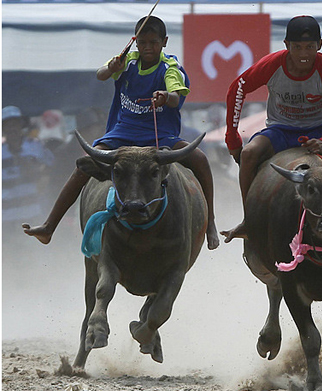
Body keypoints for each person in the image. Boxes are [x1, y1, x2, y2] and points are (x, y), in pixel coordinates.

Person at [23, 16, 219, 250]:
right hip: (123, 133)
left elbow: (176, 97)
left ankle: (211, 224)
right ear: (135, 42)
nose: (148, 48)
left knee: (200, 159)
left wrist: (166, 97)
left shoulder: (170, 69)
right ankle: (49, 226)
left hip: (159, 136)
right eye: (143, 42)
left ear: (164, 42)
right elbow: (101, 74)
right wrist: (111, 68)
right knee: (85, 164)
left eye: (154, 42)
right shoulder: (127, 61)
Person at [222, 15, 322, 242]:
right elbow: (237, 89)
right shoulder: (272, 65)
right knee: (249, 154)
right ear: (287, 45)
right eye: (297, 47)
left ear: (319, 45)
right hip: (281, 129)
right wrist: (233, 140)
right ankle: (249, 220)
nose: (303, 54)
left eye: (309, 47)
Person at [3, 106, 54, 238]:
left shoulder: (35, 146)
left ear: (21, 125)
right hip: (6, 216)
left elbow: (51, 168)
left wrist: (37, 171)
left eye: (15, 124)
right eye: (7, 125)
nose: (12, 128)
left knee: (34, 249)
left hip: (32, 212)